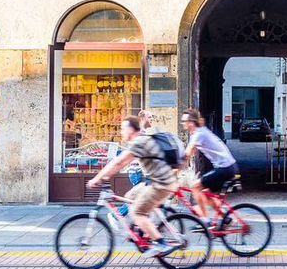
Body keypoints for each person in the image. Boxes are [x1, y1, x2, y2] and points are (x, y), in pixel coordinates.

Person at [87, 112, 179, 257]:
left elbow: (119, 163)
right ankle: (140, 230)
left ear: (131, 130)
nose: (121, 132)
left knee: (137, 212)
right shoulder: (140, 141)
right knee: (130, 196)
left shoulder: (139, 142)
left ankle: (161, 243)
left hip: (161, 184)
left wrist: (97, 179)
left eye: (123, 129)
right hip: (155, 181)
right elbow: (120, 163)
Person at [182, 108, 238, 225]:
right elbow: (191, 154)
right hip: (228, 166)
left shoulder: (199, 133)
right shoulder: (198, 133)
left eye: (184, 121)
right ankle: (226, 218)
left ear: (191, 122)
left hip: (225, 168)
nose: (183, 123)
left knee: (196, 187)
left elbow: (187, 154)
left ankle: (205, 221)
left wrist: (174, 170)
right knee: (206, 194)